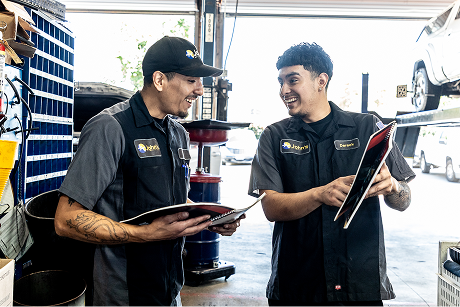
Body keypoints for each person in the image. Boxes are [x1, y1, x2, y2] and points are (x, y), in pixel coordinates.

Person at [55, 36, 243, 307]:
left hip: (169, 291)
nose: (200, 90)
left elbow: (172, 202)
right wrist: (145, 234)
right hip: (122, 295)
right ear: (159, 80)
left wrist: (213, 217)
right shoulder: (110, 128)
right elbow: (65, 219)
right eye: (192, 80)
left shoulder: (177, 133)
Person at [248, 42, 415, 307]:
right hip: (297, 284)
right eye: (280, 82)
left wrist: (394, 187)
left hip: (359, 283)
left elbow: (404, 200)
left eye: (293, 80)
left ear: (321, 81)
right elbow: (271, 207)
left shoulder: (368, 128)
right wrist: (320, 194)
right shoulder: (274, 136)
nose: (284, 90)